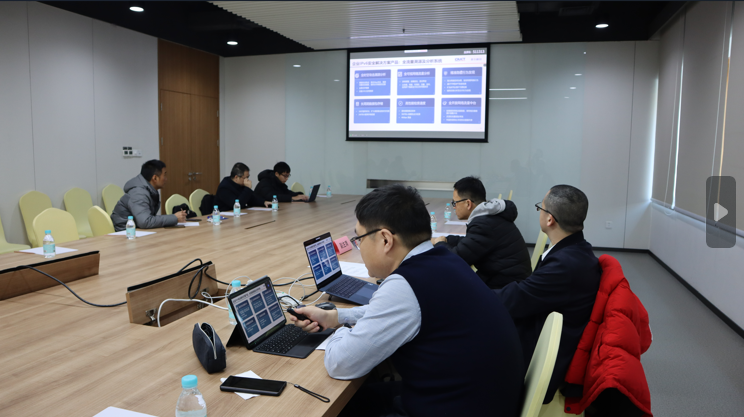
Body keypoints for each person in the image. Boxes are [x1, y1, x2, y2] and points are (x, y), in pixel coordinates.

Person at [290, 185, 524, 417]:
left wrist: (337, 332)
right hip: (477, 398)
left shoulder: (405, 285)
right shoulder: (443, 258)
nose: (358, 246)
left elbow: (340, 363)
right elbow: (399, 311)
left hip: (456, 405)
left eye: (359, 239)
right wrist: (336, 316)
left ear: (385, 239)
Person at [494, 184, 601, 404]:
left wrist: (469, 294)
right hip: (541, 330)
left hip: (539, 360)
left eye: (540, 208)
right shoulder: (575, 250)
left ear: (550, 219)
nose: (539, 212)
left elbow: (515, 300)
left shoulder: (565, 265)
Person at [431, 176, 531, 289]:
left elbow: (456, 261)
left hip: (505, 289)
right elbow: (470, 243)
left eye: (455, 203)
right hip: (507, 280)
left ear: (468, 204)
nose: (454, 207)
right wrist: (446, 239)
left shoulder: (483, 225)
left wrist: (440, 244)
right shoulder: (489, 216)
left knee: (445, 283)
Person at [111, 160, 186, 231]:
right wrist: (174, 218)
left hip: (137, 230)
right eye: (164, 175)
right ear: (155, 178)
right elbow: (145, 221)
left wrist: (173, 218)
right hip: (125, 233)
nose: (166, 179)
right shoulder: (138, 193)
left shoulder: (149, 190)